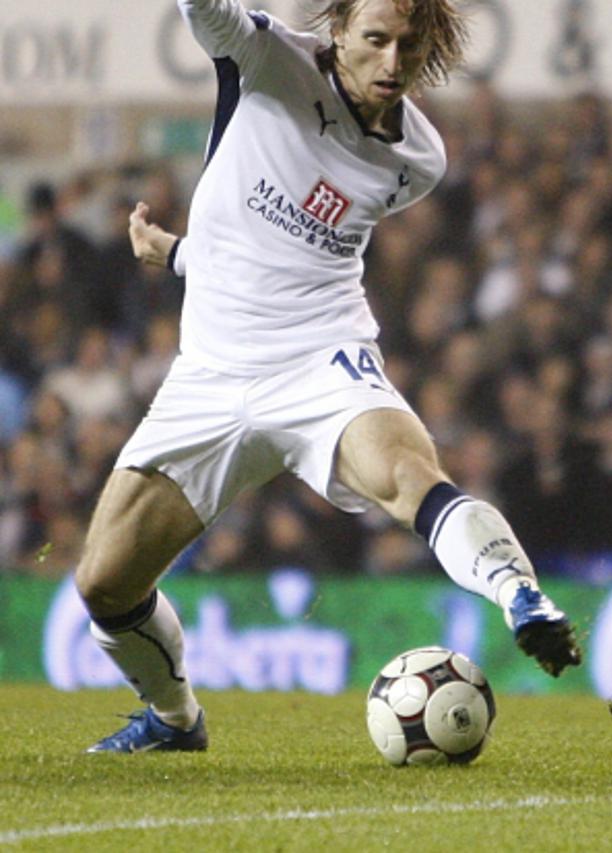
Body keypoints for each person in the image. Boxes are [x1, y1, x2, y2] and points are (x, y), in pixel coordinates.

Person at [78, 0, 581, 755]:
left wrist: (185, 256)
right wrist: (179, 255)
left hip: (321, 359)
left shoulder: (419, 160)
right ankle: (175, 719)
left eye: (408, 46)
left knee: (408, 471)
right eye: (374, 39)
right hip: (210, 375)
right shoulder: (264, 58)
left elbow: (296, 251)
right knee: (103, 584)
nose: (390, 62)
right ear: (337, 29)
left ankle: (520, 596)